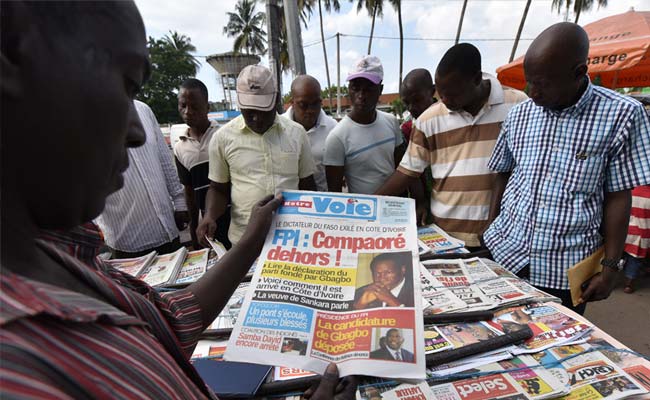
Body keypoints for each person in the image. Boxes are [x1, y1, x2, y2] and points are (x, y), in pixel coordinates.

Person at [0, 2, 353, 398]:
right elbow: (216, 190)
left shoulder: (66, 258)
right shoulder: (17, 367)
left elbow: (170, 320)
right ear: (13, 63)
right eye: (125, 84)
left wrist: (254, 240)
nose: (137, 133)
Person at [484, 23, 650, 314]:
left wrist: (610, 267)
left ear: (578, 73)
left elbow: (619, 197)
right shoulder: (520, 114)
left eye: (542, 83)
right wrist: (490, 226)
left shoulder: (622, 114)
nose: (532, 92)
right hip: (506, 255)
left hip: (564, 270)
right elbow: (502, 172)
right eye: (528, 82)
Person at [376, 44, 527, 246]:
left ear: (475, 79)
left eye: (452, 94)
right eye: (441, 94)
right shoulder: (428, 119)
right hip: (446, 237)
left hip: (503, 235)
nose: (445, 101)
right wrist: (367, 205)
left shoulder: (518, 105)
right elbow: (407, 172)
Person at [196, 65, 317, 247]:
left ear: (275, 99)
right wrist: (209, 215)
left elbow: (307, 185)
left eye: (263, 110)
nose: (256, 119)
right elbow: (218, 189)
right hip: (244, 242)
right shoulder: (222, 138)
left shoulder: (297, 134)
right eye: (249, 111)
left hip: (293, 240)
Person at [96, 99, 190, 258]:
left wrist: (180, 202)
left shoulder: (143, 109)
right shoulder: (85, 117)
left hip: (169, 232)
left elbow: (164, 159)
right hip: (126, 244)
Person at [324, 55, 405, 194]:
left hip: (396, 208)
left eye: (368, 89)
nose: (361, 95)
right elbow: (335, 194)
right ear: (348, 89)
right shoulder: (337, 137)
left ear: (380, 90)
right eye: (355, 88)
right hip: (363, 213)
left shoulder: (391, 122)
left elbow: (403, 168)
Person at [174, 78, 231, 249]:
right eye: (183, 106)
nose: (188, 112)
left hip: (235, 219)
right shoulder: (180, 148)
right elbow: (189, 192)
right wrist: (193, 228)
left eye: (195, 106)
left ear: (207, 107)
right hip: (208, 227)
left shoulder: (224, 136)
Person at [286, 75, 337, 191]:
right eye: (303, 105)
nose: (311, 110)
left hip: (324, 201)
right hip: (289, 203)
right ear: (292, 103)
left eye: (316, 103)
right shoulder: (279, 128)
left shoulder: (334, 129)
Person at [622, 185, 650, 293]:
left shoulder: (632, 191)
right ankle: (628, 285)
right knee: (634, 259)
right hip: (642, 233)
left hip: (625, 230)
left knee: (619, 255)